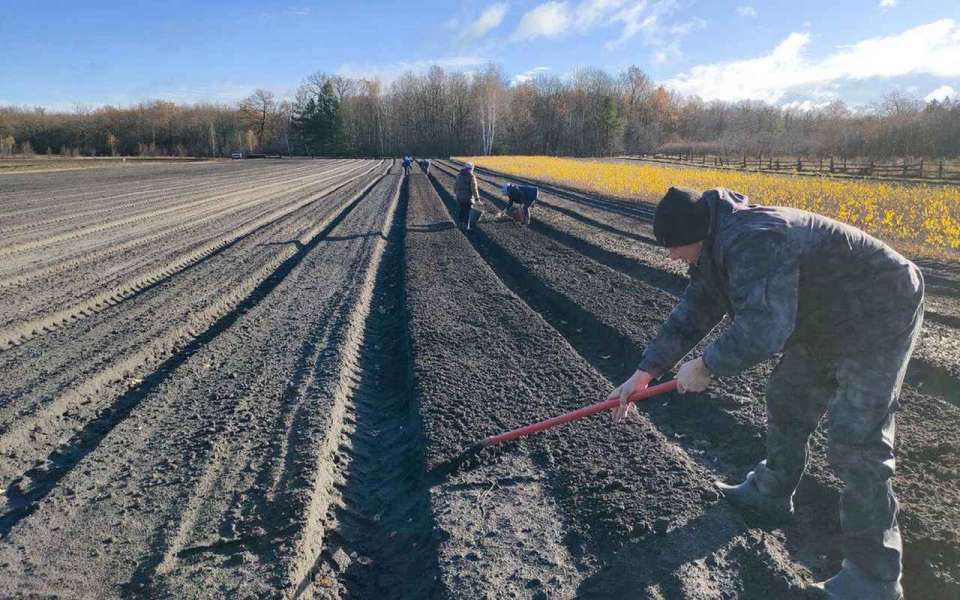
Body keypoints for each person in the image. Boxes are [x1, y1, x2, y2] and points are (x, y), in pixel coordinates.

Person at [608, 187, 922, 600]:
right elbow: (696, 308)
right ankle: (771, 492)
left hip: (879, 310)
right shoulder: (716, 242)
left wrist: (707, 365)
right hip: (822, 316)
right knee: (787, 396)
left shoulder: (753, 238)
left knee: (855, 439)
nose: (671, 257)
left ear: (693, 235)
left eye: (673, 247)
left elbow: (765, 330)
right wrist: (644, 372)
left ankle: (874, 578)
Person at [454, 162, 480, 231]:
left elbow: (455, 185)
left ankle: (460, 224)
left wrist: (456, 194)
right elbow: (474, 188)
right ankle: (466, 227)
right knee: (468, 212)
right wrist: (477, 198)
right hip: (467, 196)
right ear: (471, 168)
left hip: (459, 196)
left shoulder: (459, 175)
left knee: (462, 210)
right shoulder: (471, 176)